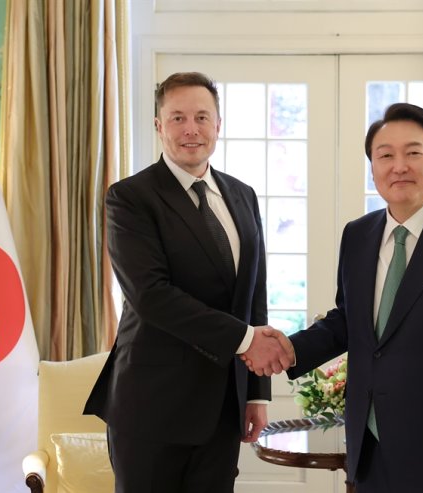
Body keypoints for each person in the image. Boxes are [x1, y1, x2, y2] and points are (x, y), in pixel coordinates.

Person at [246, 102, 423, 492]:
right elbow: (349, 321)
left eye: (413, 153)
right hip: (371, 444)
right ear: (373, 168)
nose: (399, 165)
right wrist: (290, 350)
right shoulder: (357, 236)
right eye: (385, 155)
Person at [84, 71, 292, 493]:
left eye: (201, 116)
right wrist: (247, 340)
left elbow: (253, 296)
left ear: (219, 125)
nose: (190, 129)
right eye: (177, 117)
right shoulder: (130, 198)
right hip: (150, 405)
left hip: (222, 407)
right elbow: (151, 296)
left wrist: (256, 393)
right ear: (159, 126)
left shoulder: (243, 195)